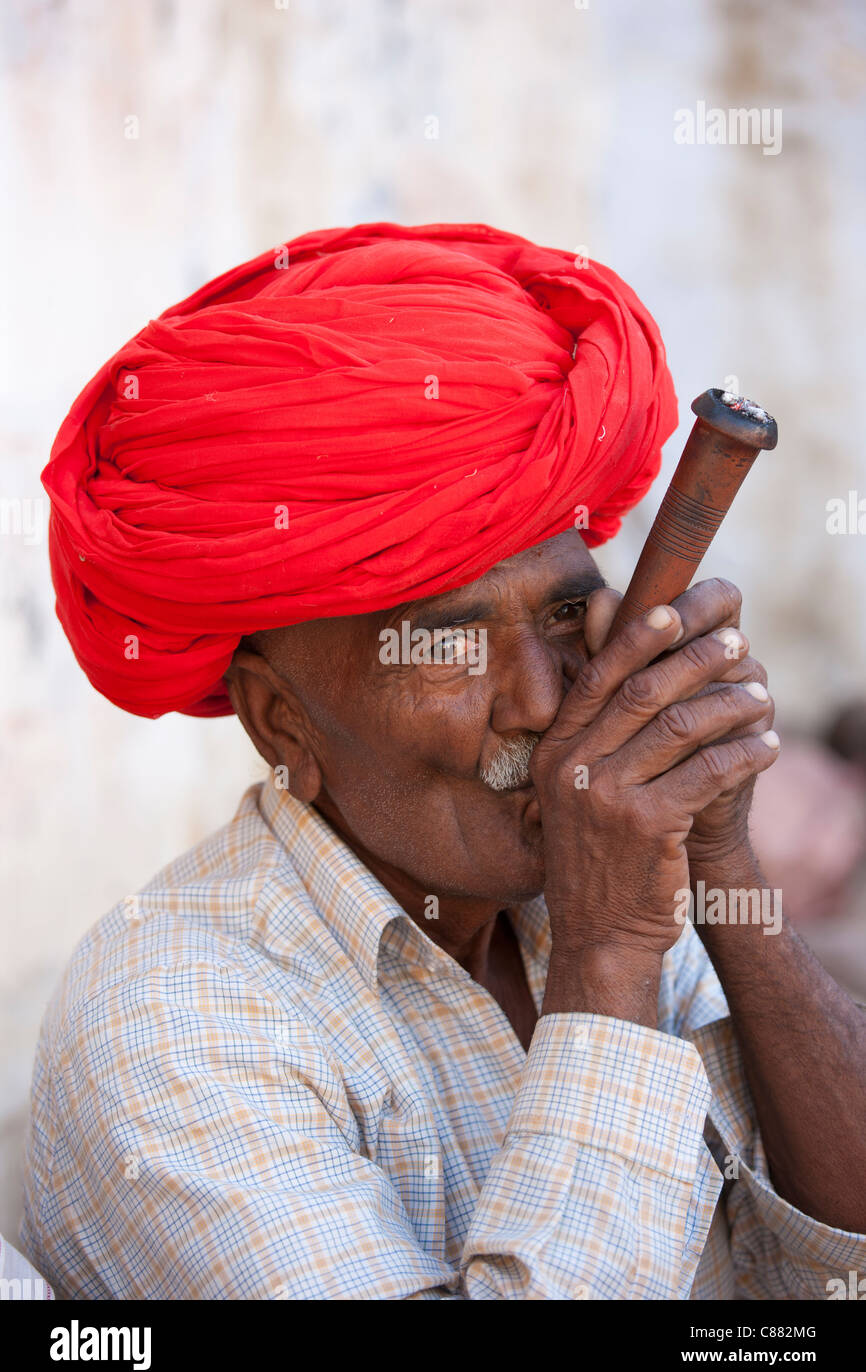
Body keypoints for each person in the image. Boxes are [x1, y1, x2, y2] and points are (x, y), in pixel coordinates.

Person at [23, 223, 866, 1299]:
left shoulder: (592, 873)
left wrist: (723, 865)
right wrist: (607, 961)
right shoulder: (174, 1015)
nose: (541, 698)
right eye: (448, 645)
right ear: (281, 724)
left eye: (568, 613)